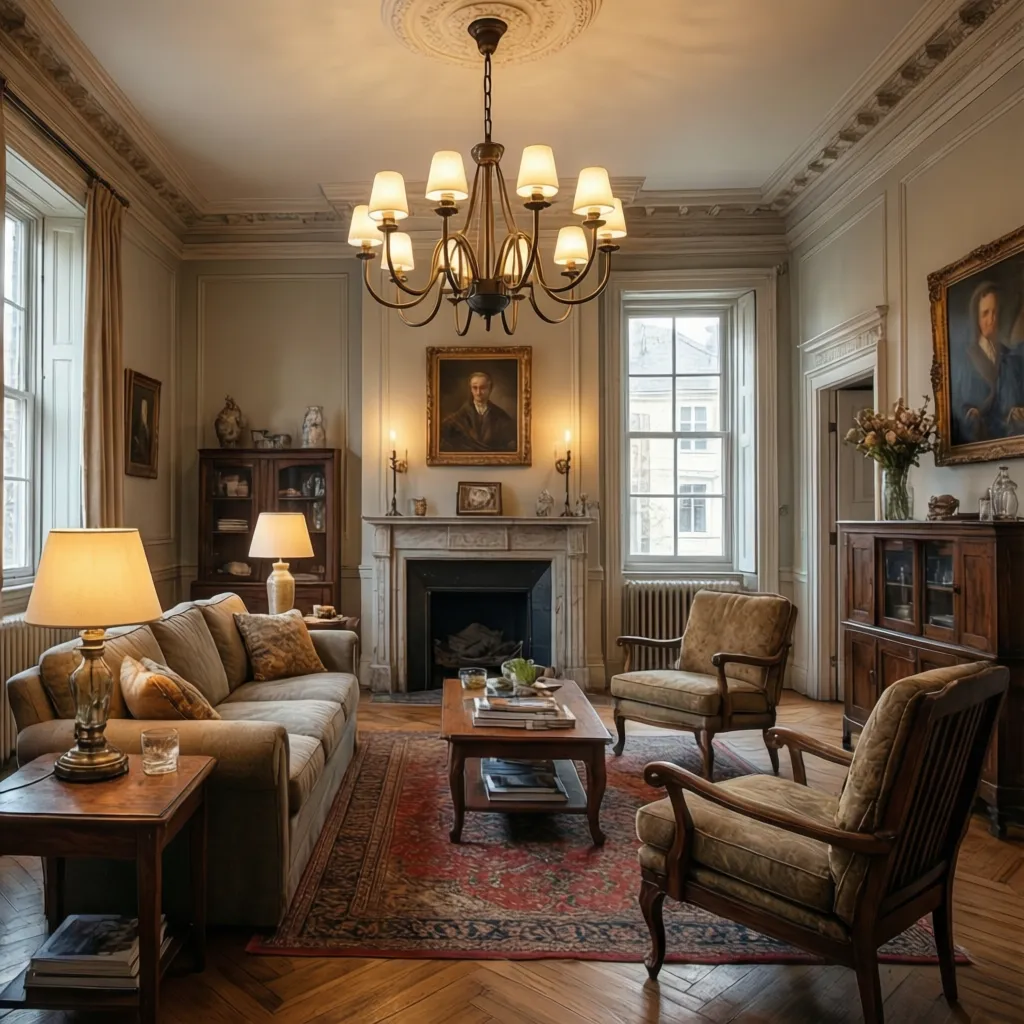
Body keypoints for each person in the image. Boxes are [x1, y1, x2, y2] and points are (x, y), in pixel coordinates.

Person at [955, 282, 1024, 443]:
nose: (991, 319)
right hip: (980, 437)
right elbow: (959, 404)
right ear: (976, 317)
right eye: (985, 313)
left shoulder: (1009, 355)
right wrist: (971, 414)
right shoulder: (966, 358)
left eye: (994, 312)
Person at [440, 370, 517, 452]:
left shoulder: (502, 417)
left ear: (490, 389)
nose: (478, 392)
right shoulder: (457, 419)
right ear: (470, 389)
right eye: (475, 388)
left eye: (483, 388)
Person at [131, 397, 151, 463]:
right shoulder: (136, 425)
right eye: (143, 410)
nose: (144, 412)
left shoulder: (148, 427)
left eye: (145, 410)